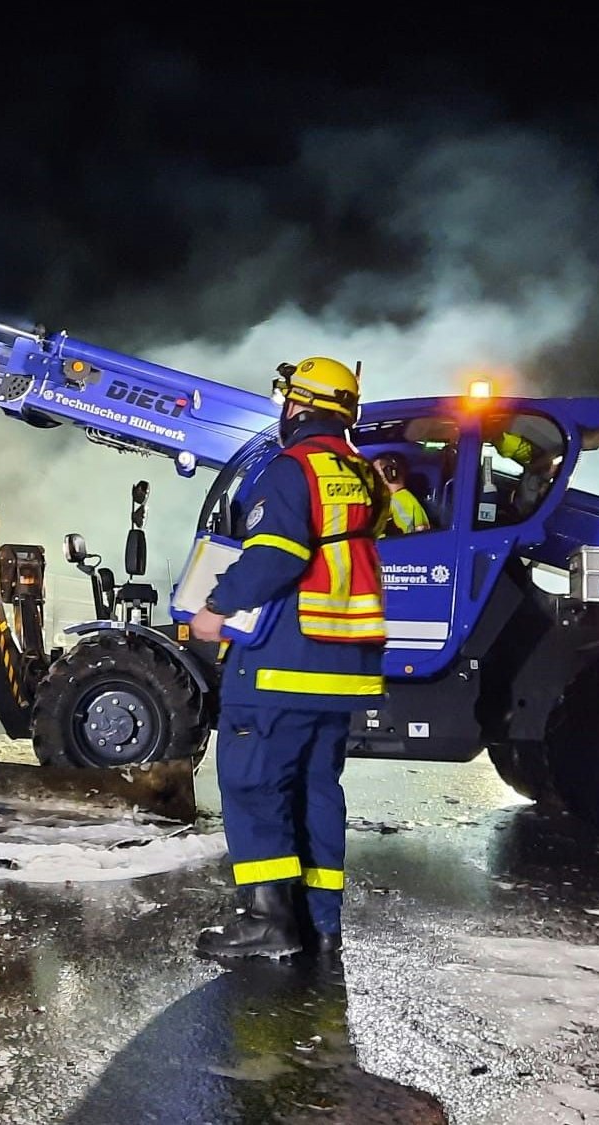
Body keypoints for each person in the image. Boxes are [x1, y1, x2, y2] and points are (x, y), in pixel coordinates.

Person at [189, 356, 388, 961]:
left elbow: (276, 555)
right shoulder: (364, 474)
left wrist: (215, 607)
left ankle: (267, 921)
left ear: (296, 405)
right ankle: (320, 922)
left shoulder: (290, 469)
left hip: (284, 660)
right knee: (316, 788)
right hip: (345, 667)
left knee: (254, 784)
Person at [372, 452, 431, 535]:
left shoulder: (400, 500)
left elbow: (412, 538)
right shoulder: (400, 499)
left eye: (375, 474)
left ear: (390, 473)